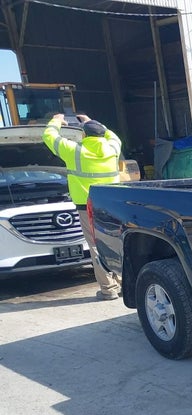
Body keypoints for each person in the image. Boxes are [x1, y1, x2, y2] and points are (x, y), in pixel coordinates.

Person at [42, 113, 122, 300]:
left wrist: (56, 120)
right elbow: (113, 136)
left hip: (87, 207)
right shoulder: (113, 148)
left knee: (96, 246)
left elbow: (49, 136)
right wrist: (90, 121)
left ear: (84, 136)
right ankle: (123, 282)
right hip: (112, 206)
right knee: (115, 243)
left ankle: (108, 289)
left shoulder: (75, 151)